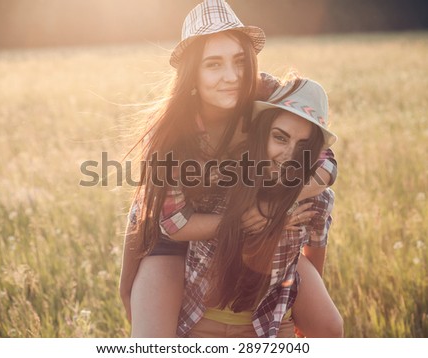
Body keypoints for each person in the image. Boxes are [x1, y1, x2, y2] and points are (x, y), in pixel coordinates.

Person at [119, 0, 338, 337]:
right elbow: (174, 224)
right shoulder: (174, 133)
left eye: (239, 61)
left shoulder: (266, 93)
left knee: (330, 327)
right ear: (193, 73)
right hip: (178, 239)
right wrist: (242, 220)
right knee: (150, 340)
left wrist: (270, 208)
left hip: (259, 228)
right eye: (213, 64)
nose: (231, 77)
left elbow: (322, 158)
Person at [179, 78, 343, 338]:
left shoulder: (316, 198)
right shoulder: (222, 181)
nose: (288, 156)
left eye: (302, 147)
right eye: (280, 137)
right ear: (261, 131)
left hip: (269, 324)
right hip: (200, 322)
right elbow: (166, 222)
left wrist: (305, 312)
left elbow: (315, 258)